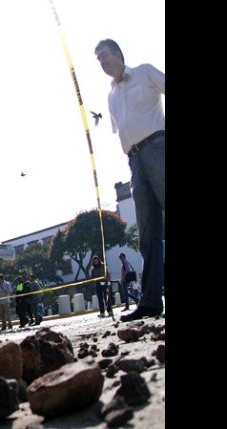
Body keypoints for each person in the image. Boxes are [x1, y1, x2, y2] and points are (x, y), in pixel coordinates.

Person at [95, 39, 165, 322]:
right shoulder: (111, 96)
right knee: (148, 233)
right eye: (98, 59)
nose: (102, 62)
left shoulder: (144, 72)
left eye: (104, 55)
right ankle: (150, 301)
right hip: (134, 160)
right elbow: (125, 129)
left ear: (118, 53)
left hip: (158, 147)